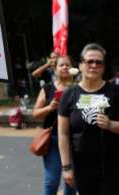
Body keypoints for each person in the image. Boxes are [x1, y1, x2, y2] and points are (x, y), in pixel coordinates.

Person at [58, 43, 119, 195]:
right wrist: (66, 167)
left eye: (98, 62)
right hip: (82, 166)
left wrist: (110, 124)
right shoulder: (69, 95)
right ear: (80, 65)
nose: (94, 65)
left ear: (103, 67)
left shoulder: (116, 92)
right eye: (89, 61)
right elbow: (63, 134)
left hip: (114, 166)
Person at [32, 55, 77, 195]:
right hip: (53, 140)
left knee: (71, 182)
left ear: (73, 69)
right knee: (51, 181)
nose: (65, 67)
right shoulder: (48, 88)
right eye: (61, 65)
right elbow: (35, 114)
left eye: (67, 65)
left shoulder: (79, 89)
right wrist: (50, 107)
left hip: (75, 141)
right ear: (55, 69)